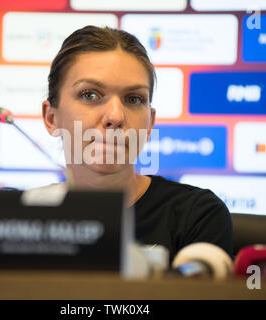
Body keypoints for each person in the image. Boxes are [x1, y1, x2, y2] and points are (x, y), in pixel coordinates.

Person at [33, 25, 233, 262]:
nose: (116, 116)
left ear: (150, 124)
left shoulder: (197, 216)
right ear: (51, 117)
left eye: (133, 99)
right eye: (90, 95)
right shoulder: (18, 219)